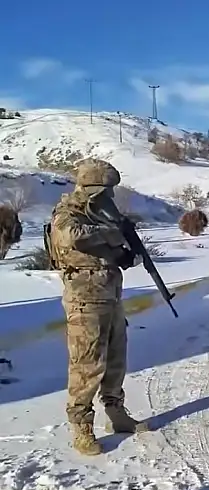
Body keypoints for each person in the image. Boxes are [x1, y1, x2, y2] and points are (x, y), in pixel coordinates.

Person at [47, 158, 148, 456]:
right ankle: (82, 427)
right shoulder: (68, 212)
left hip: (111, 296)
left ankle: (116, 411)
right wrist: (112, 233)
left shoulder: (99, 212)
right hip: (84, 301)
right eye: (106, 190)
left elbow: (102, 251)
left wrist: (123, 254)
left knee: (116, 358)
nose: (110, 197)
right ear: (91, 189)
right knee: (87, 365)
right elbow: (70, 237)